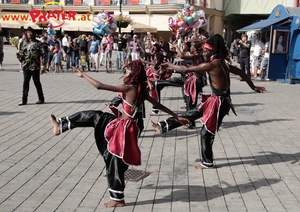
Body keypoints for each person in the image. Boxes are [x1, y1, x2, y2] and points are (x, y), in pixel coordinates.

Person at [49, 60, 190, 207]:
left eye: (126, 71)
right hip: (126, 125)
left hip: (123, 128)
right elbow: (157, 104)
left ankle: (118, 199)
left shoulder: (129, 88)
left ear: (133, 74)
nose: (124, 73)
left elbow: (99, 86)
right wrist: (176, 116)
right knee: (95, 117)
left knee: (113, 160)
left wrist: (83, 74)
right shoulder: (139, 88)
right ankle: (61, 125)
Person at [153, 34, 266, 169]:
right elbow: (242, 73)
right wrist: (253, 87)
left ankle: (207, 162)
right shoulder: (223, 63)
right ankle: (164, 126)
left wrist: (170, 64)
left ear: (212, 51)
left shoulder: (213, 64)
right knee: (192, 114)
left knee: (206, 132)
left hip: (220, 102)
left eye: (206, 51)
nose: (204, 53)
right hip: (215, 100)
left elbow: (185, 69)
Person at [17, 26, 46, 106]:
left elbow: (44, 55)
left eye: (30, 32)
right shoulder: (24, 43)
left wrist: (43, 65)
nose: (29, 34)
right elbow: (22, 54)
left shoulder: (38, 43)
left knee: (37, 82)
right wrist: (20, 56)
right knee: (25, 82)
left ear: (33, 34)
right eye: (28, 32)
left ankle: (41, 98)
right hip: (26, 66)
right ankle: (24, 100)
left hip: (35, 66)